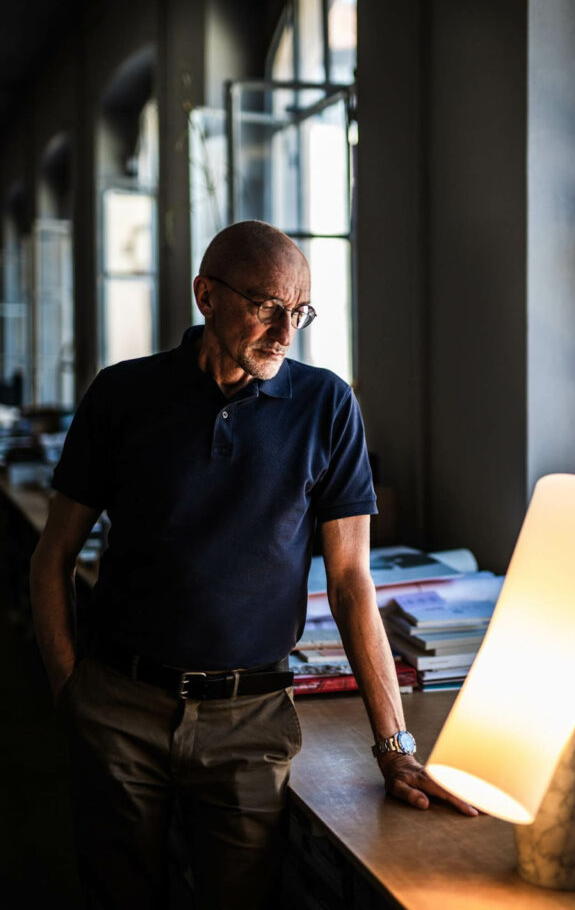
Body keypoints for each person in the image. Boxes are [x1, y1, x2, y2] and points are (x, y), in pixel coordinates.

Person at [29, 220, 477, 910]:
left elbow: (352, 579)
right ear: (205, 295)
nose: (285, 330)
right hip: (121, 703)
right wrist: (72, 696)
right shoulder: (123, 395)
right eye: (267, 305)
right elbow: (52, 555)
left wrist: (393, 744)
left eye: (299, 311)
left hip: (251, 719)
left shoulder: (327, 405)